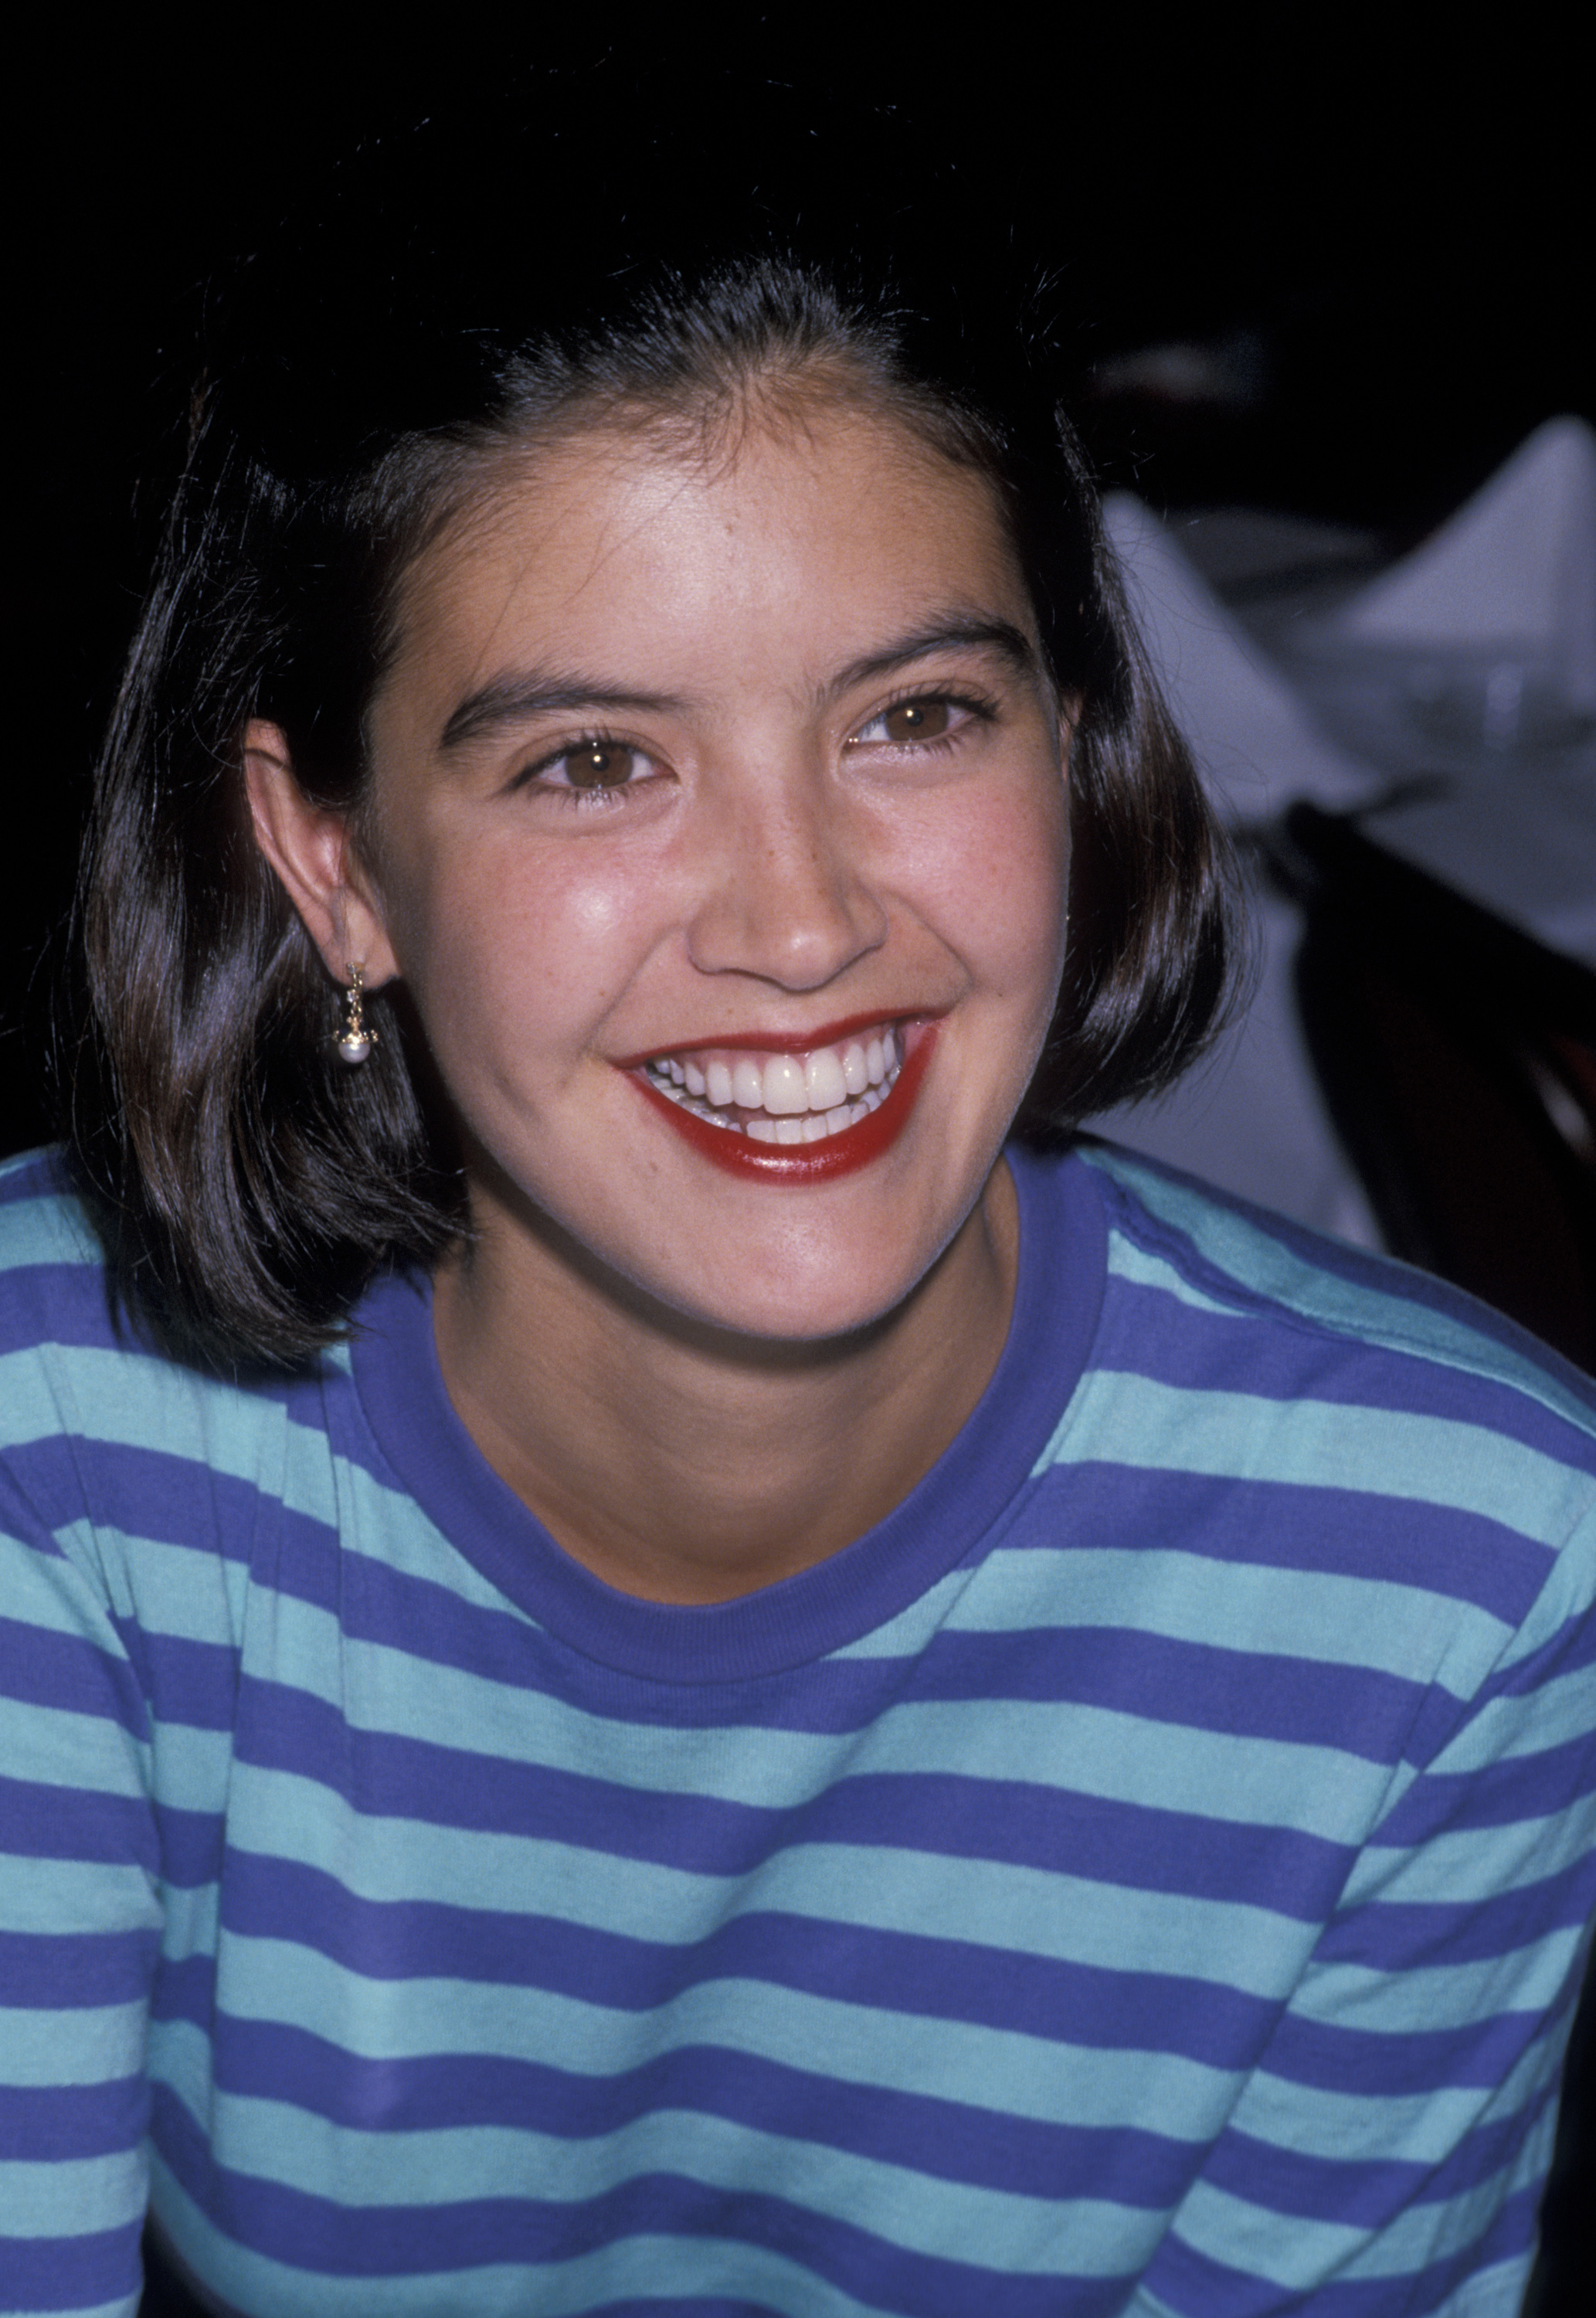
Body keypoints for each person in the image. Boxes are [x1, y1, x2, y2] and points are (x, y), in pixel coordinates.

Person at [2, 88, 1592, 2318]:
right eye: (592, 761)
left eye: (917, 716)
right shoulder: (54, 1433)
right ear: (331, 863)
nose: (801, 919)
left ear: (1079, 730)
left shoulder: (1468, 1566)